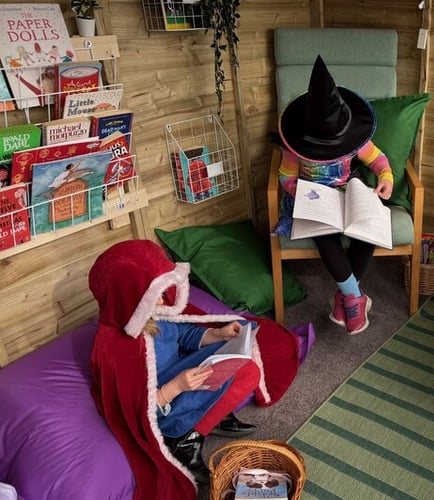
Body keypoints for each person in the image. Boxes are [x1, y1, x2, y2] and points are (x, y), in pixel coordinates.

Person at [89, 240, 267, 496]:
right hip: (163, 404)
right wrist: (175, 387)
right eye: (153, 293)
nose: (163, 299)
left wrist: (218, 334)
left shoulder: (157, 315)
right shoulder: (115, 347)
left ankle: (205, 417)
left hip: (182, 379)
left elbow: (184, 335)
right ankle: (184, 439)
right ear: (129, 296)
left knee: (248, 368)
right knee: (241, 371)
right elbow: (132, 410)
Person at [275, 55, 393, 335]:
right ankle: (354, 297)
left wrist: (386, 178)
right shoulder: (295, 147)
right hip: (314, 201)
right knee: (324, 234)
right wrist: (299, 191)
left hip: (348, 194)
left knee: (368, 232)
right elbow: (285, 176)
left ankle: (345, 297)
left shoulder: (355, 141)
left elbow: (379, 161)